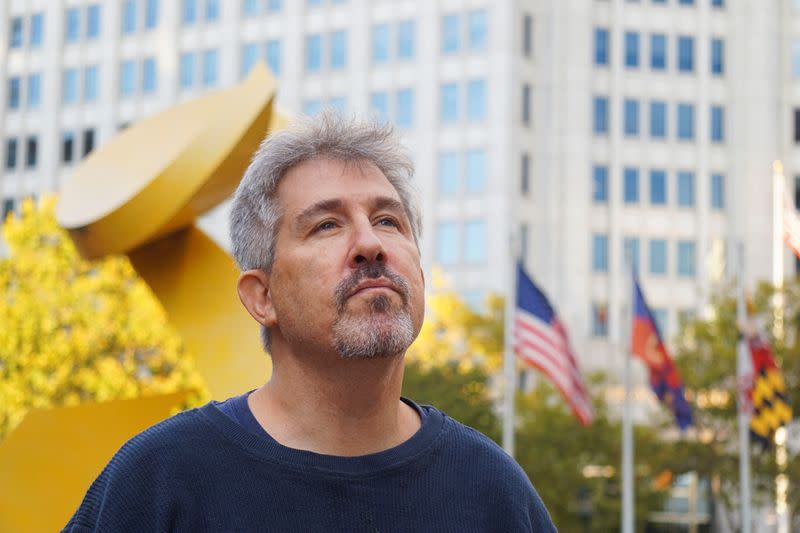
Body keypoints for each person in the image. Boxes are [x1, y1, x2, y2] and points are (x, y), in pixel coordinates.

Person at [64, 112, 556, 532]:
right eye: (326, 224)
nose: (370, 244)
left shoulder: (492, 491)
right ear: (262, 297)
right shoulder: (159, 480)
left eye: (388, 220)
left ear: (421, 276)